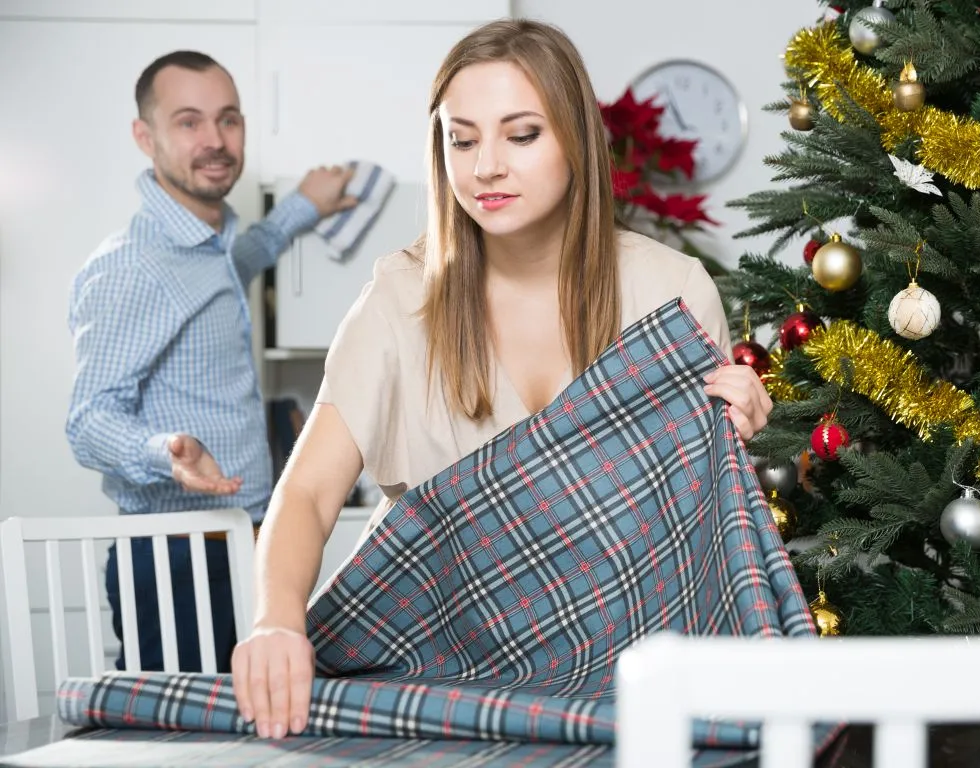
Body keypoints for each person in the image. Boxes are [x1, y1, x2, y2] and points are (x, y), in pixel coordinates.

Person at [229, 19, 773, 740]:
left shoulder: (670, 292)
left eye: (521, 135)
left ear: (575, 139)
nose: (485, 166)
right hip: (434, 689)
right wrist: (274, 622)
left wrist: (733, 431)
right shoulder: (398, 300)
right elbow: (305, 491)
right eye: (461, 138)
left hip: (624, 690)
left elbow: (696, 536)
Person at [65, 50, 359, 675]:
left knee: (255, 723)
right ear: (145, 136)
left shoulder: (213, 245)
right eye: (189, 122)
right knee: (187, 738)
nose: (215, 141)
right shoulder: (131, 266)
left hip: (245, 537)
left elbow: (245, 259)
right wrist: (165, 450)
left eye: (228, 120)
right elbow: (86, 420)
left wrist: (303, 205)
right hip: (174, 552)